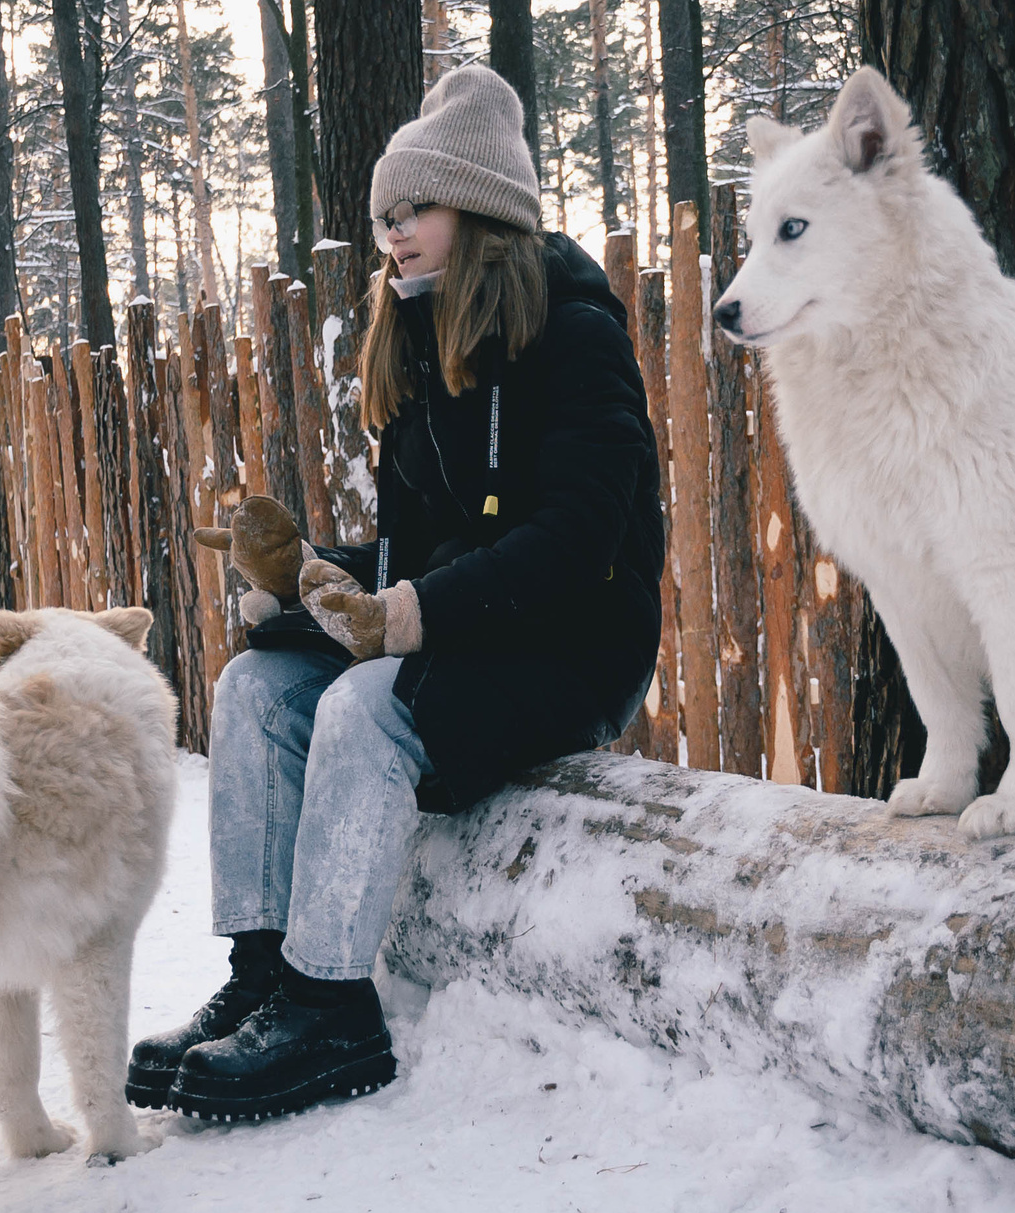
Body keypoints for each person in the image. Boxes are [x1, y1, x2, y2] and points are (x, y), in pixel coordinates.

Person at [125, 64, 664, 1123]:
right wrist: (306, 578)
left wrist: (412, 615)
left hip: (574, 650)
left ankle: (333, 1009)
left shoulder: (575, 332)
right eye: (383, 216)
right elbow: (421, 551)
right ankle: (266, 973)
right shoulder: (415, 345)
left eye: (413, 208)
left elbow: (578, 538)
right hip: (473, 635)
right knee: (257, 685)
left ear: (479, 207)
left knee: (365, 706)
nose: (393, 233)